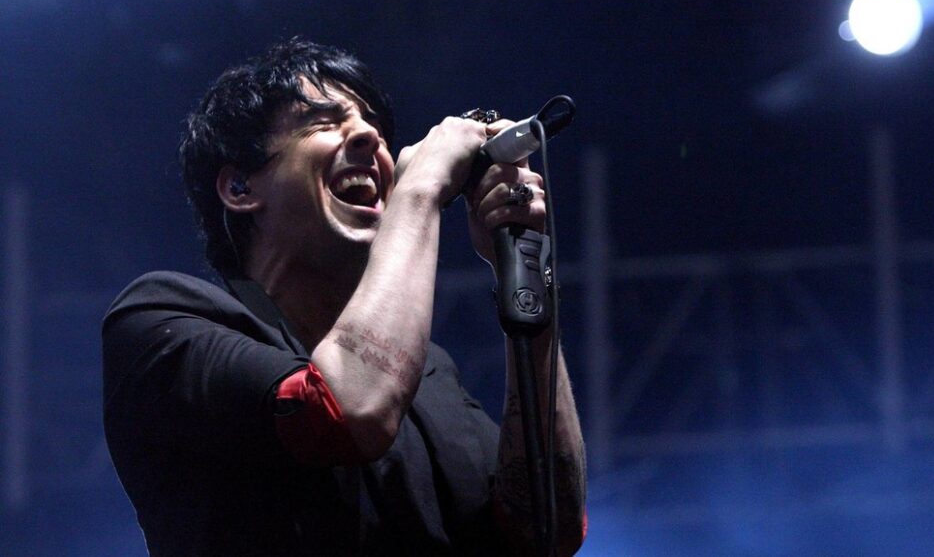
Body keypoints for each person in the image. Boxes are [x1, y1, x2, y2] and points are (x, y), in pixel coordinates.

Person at [102, 38, 586, 556]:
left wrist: (524, 267)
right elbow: (344, 411)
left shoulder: (430, 376)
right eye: (323, 122)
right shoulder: (162, 321)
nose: (369, 136)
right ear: (240, 189)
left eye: (373, 123)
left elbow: (549, 527)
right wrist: (420, 190)